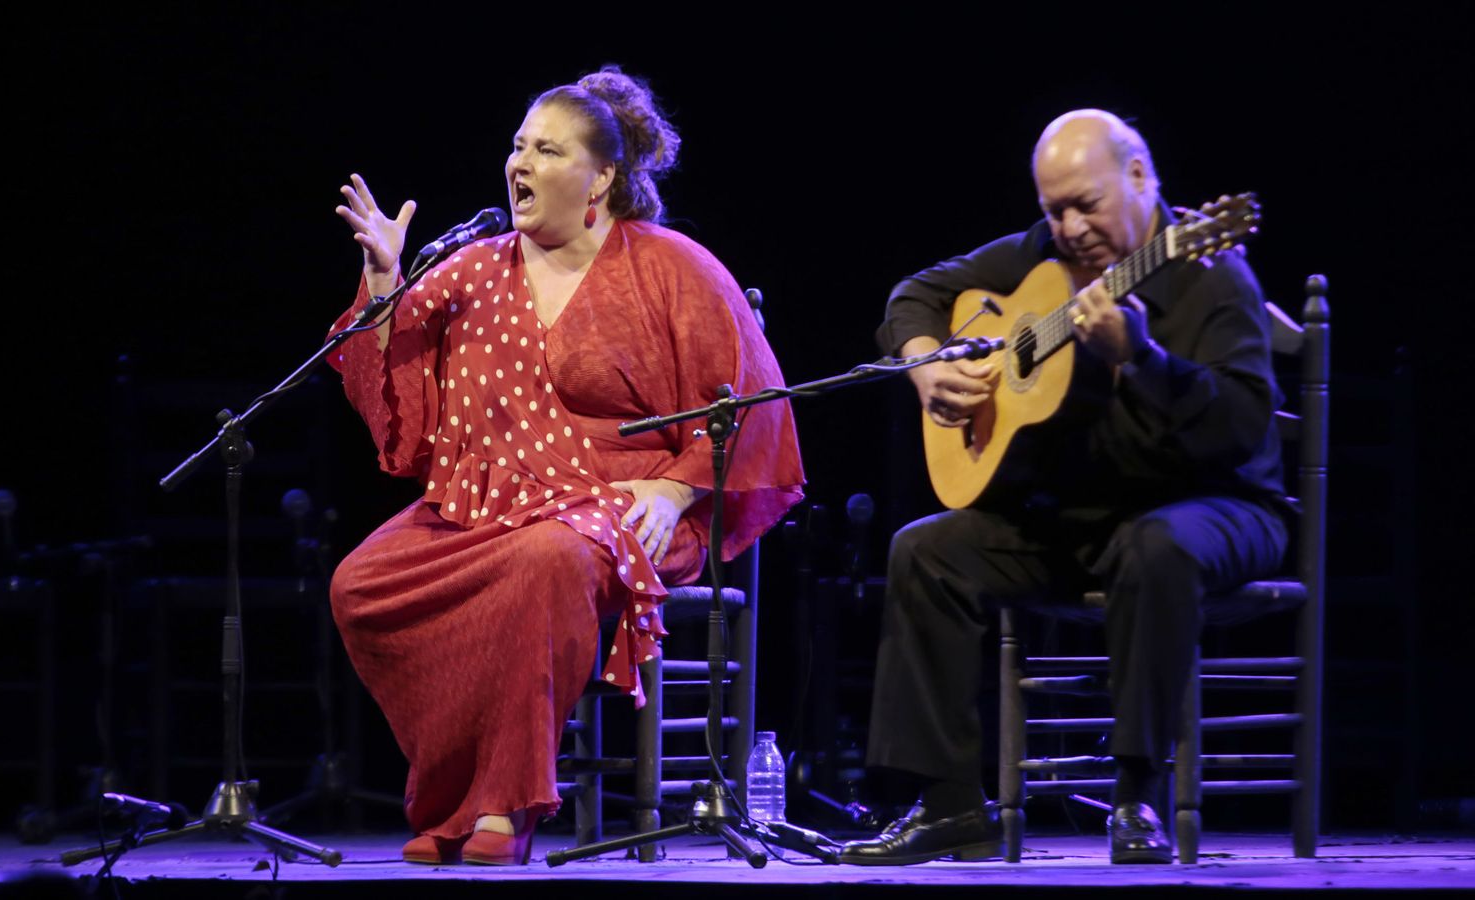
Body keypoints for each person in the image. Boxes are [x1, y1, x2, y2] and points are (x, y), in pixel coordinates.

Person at [325, 67, 804, 866]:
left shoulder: (670, 268)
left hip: (631, 504)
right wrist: (383, 279)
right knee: (361, 584)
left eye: (546, 150)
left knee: (545, 559)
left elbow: (753, 405)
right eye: (518, 146)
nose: (520, 163)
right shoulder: (476, 269)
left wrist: (675, 487)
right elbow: (392, 373)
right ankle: (454, 790)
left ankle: (505, 806)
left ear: (602, 177)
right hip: (492, 503)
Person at [838, 110, 1290, 866]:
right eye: (1055, 210)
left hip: (1219, 505)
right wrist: (925, 366)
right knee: (925, 552)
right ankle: (950, 805)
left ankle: (1137, 794)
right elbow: (916, 293)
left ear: (1140, 178)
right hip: (1083, 515)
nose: (1070, 228)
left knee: (1156, 545)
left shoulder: (1212, 274)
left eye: (1087, 204)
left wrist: (1143, 358)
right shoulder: (1041, 255)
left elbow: (1241, 429)